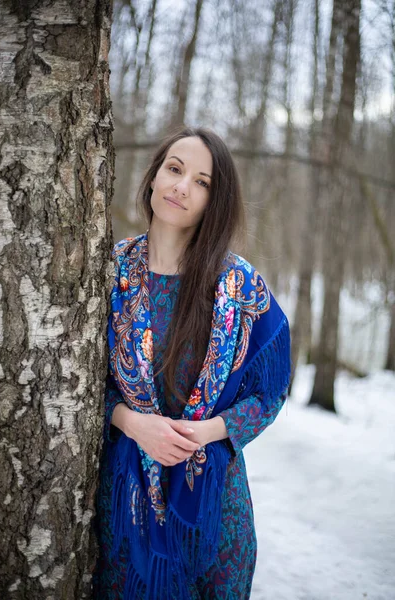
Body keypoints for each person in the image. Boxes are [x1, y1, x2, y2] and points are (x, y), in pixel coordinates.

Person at [92, 126, 291, 600]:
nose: (182, 186)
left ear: (214, 201)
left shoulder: (239, 287)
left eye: (201, 182)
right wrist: (133, 423)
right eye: (175, 169)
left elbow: (271, 392)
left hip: (214, 511)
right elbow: (79, 387)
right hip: (128, 502)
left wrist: (207, 431)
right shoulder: (109, 272)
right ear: (155, 177)